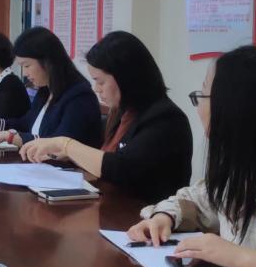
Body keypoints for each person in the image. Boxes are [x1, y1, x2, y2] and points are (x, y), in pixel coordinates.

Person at [128, 46, 256, 267]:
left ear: (236, 107)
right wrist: (164, 217)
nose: (198, 107)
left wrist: (240, 257)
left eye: (203, 95)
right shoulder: (243, 168)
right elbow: (198, 200)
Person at [20, 31, 192, 202]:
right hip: (113, 205)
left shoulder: (166, 119)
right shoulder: (123, 112)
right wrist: (70, 156)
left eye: (100, 81)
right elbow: (105, 158)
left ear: (126, 77)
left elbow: (121, 168)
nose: (96, 88)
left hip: (144, 213)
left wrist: (65, 145)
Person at [0, 27, 102, 149]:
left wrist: (10, 137)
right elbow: (25, 124)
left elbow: (60, 145)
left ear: (48, 62)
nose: (24, 74)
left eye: (27, 66)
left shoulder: (79, 97)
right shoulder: (45, 90)